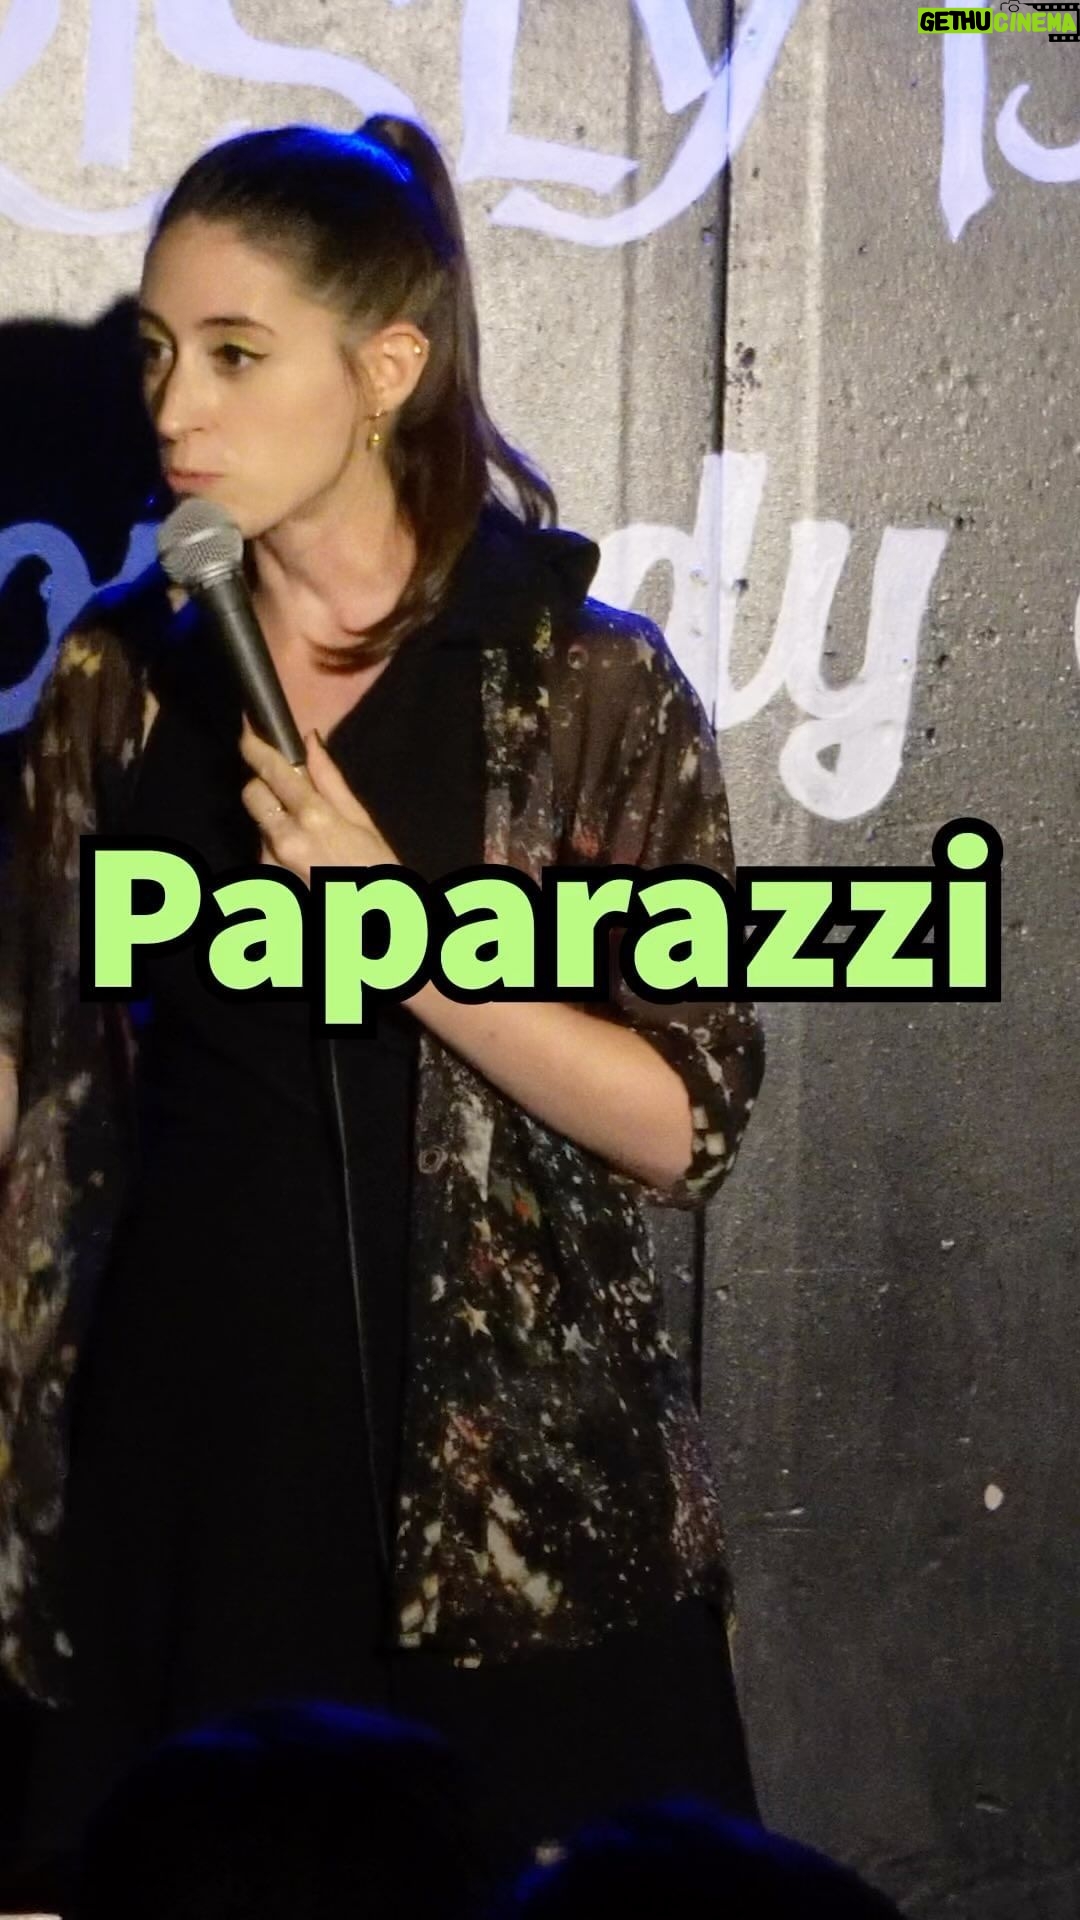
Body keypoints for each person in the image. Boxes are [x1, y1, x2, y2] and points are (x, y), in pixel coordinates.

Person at [0, 116, 766, 1905]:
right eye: (159, 353)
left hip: (507, 1504)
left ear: (386, 371)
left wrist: (398, 933)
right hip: (188, 1452)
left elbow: (687, 1121)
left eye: (235, 354)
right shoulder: (125, 674)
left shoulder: (579, 686)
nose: (176, 407)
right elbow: (31, 1062)